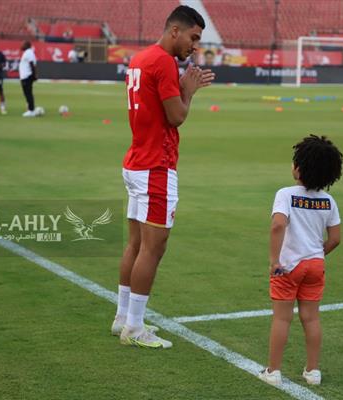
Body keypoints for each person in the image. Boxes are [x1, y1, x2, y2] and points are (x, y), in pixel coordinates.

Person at [111, 5, 215, 349]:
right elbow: (176, 117)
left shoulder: (140, 58)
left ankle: (123, 317)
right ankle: (136, 327)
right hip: (156, 165)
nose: (195, 46)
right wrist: (189, 90)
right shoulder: (164, 62)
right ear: (175, 31)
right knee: (154, 248)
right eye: (193, 37)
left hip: (137, 160)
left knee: (136, 244)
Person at [259, 135, 343, 387]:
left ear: (299, 168)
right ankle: (313, 371)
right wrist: (317, 253)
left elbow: (277, 225)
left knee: (282, 319)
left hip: (287, 267)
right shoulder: (329, 201)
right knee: (312, 318)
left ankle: (273, 372)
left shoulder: (285, 194)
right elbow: (336, 238)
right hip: (315, 266)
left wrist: (275, 260)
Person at [19, 40, 37, 117]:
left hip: (27, 76)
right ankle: (30, 108)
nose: (21, 46)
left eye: (22, 44)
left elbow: (32, 64)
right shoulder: (27, 52)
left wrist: (34, 75)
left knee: (28, 93)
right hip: (25, 76)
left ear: (26, 45)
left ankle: (31, 110)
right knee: (27, 93)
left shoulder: (29, 52)